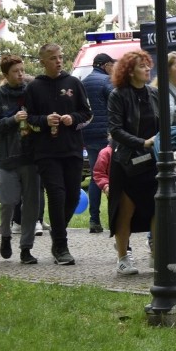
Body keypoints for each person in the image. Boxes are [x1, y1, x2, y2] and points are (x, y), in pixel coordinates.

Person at [25, 43, 92, 266]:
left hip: (72, 148)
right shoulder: (34, 87)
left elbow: (86, 113)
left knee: (73, 196)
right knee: (56, 195)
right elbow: (29, 118)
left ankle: (57, 233)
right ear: (43, 62)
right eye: (53, 58)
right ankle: (61, 246)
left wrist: (73, 118)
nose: (58, 61)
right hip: (46, 151)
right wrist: (45, 120)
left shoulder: (73, 83)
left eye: (60, 57)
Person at [0, 55, 42, 264]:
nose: (20, 74)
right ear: (6, 75)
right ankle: (5, 236)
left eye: (21, 70)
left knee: (31, 206)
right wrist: (12, 119)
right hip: (8, 157)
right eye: (15, 71)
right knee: (7, 202)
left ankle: (26, 248)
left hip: (31, 158)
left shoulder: (31, 93)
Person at [107, 50, 159, 275]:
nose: (147, 69)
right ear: (129, 71)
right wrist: (143, 142)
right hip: (127, 162)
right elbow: (115, 129)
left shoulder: (154, 94)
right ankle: (123, 257)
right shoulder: (118, 95)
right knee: (125, 211)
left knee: (157, 208)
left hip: (152, 161)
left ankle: (157, 254)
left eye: (148, 65)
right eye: (141, 66)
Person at [81, 52, 116, 233]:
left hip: (88, 135)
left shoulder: (84, 82)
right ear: (103, 65)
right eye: (111, 65)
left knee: (97, 176)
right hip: (106, 135)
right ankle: (115, 220)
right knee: (112, 176)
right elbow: (115, 101)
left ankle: (94, 220)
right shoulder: (106, 81)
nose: (113, 69)